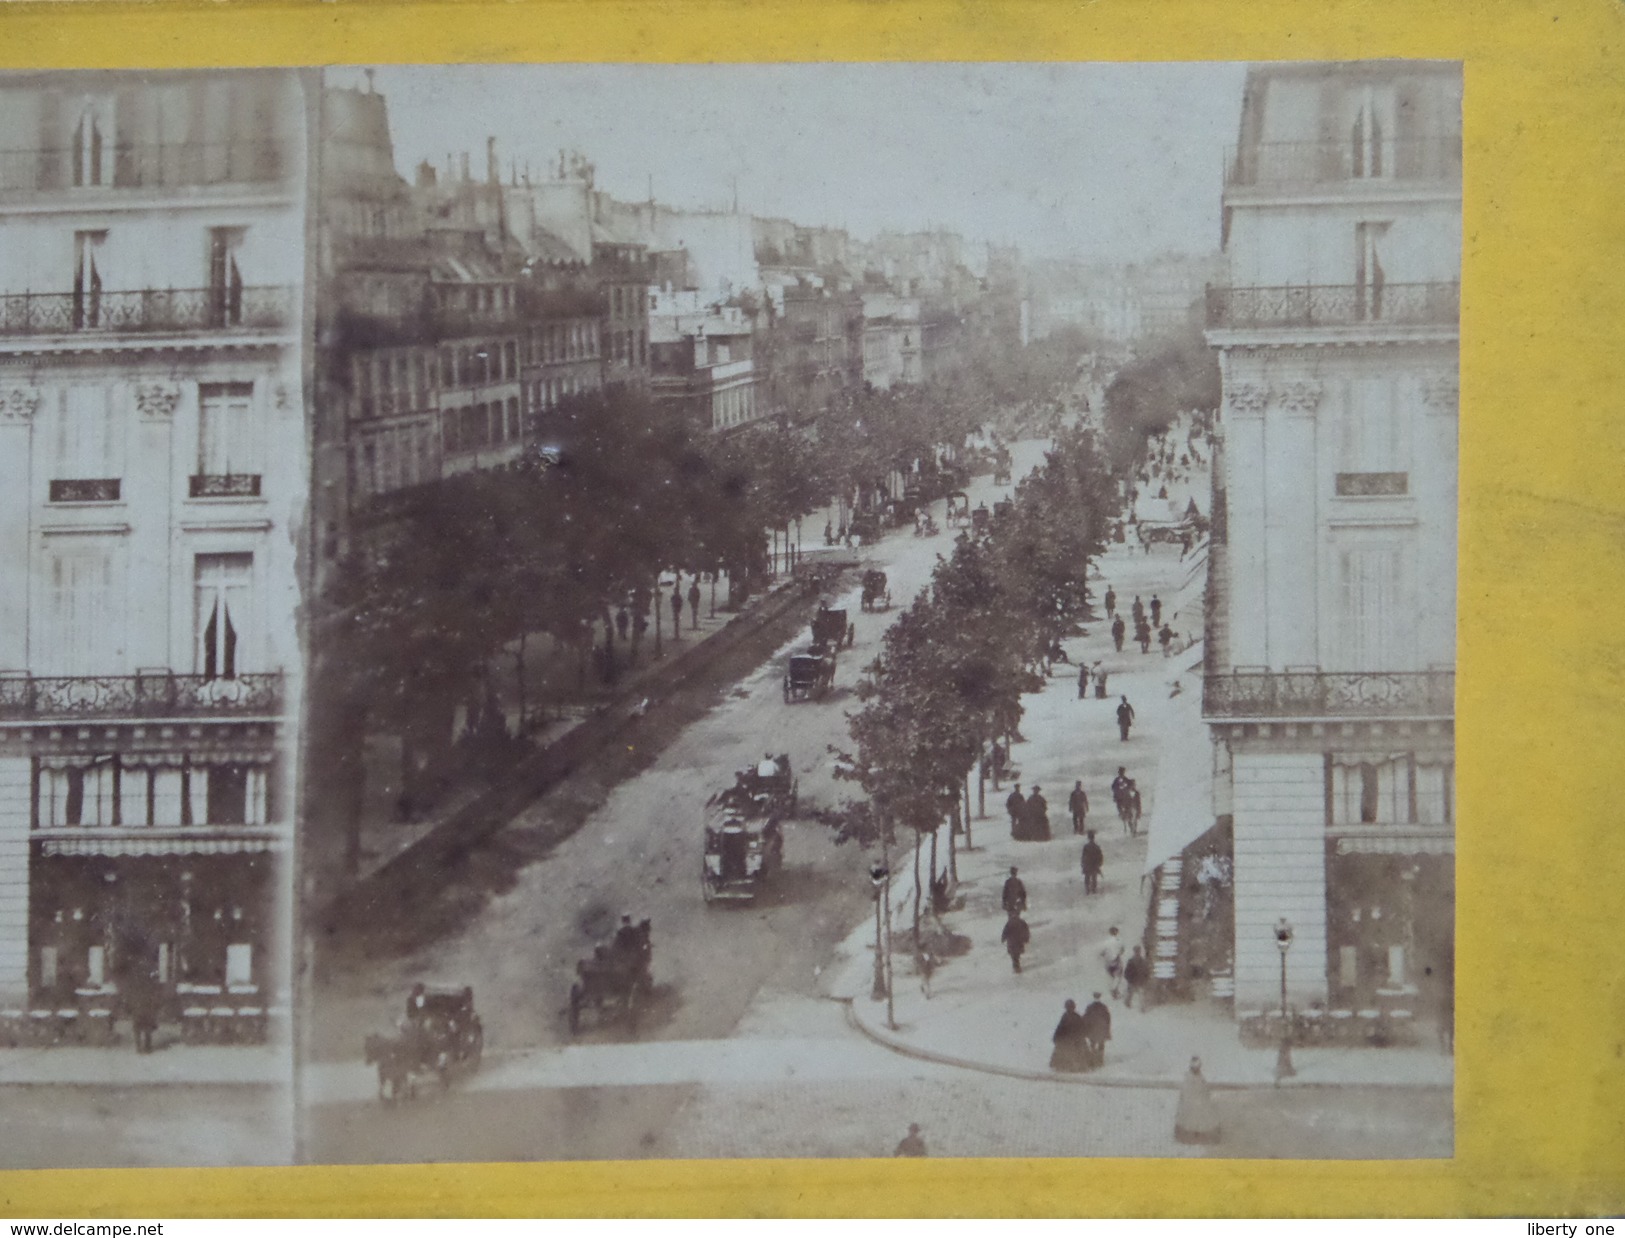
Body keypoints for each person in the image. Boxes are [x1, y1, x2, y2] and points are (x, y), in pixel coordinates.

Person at [1174, 1057, 1221, 1144]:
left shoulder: (1200, 1078)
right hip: (1192, 1104)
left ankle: (1198, 1134)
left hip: (1199, 1102)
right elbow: (1185, 1093)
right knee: (1193, 1115)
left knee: (1204, 1114)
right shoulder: (1188, 1079)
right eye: (1195, 1067)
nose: (1197, 1069)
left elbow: (1205, 1092)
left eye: (1198, 1067)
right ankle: (1190, 1134)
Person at [1050, 999, 1092, 1073]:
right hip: (1076, 1040)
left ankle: (1063, 1066)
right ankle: (1080, 1066)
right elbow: (1083, 1028)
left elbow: (1060, 1028)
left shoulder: (1065, 1016)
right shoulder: (1077, 1016)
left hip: (1067, 1040)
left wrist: (1056, 1038)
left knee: (1063, 1051)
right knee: (1078, 1053)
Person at [1081, 992, 1113, 1068]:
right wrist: (1107, 1029)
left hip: (1092, 1029)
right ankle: (1100, 1060)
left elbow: (1086, 1018)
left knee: (1093, 1045)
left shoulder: (1090, 1007)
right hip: (1101, 1029)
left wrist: (1085, 1027)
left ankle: (1093, 1061)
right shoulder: (1103, 1007)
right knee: (1101, 1045)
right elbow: (1107, 1019)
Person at [1001, 909, 1031, 974]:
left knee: (1013, 955)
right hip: (1019, 941)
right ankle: (1017, 966)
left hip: (1012, 942)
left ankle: (1016, 967)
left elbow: (1005, 932)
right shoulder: (1022, 922)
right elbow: (1026, 931)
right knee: (1017, 954)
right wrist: (1026, 938)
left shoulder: (1009, 923)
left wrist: (1003, 939)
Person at [1100, 926, 1126, 998]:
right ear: (1116, 932)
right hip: (1116, 961)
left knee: (1111, 977)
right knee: (1118, 976)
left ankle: (1113, 990)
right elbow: (1122, 950)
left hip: (1108, 962)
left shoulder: (1105, 941)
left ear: (1109, 932)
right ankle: (1114, 990)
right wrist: (1117, 953)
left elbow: (1102, 953)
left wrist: (1106, 956)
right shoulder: (1119, 940)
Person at [1123, 944, 1150, 1008]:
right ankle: (1130, 1004)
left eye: (1138, 951)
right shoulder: (1141, 961)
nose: (1137, 952)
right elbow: (1127, 972)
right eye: (1136, 951)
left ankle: (1140, 1007)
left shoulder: (1134, 961)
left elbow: (1146, 971)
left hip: (1137, 981)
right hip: (1136, 981)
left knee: (1136, 994)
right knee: (1136, 994)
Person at [1081, 830, 1104, 895]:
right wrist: (1099, 864)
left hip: (1088, 865)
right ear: (1094, 838)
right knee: (1094, 877)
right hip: (1094, 865)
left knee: (1087, 877)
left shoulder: (1086, 847)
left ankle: (1087, 889)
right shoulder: (1097, 847)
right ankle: (1093, 889)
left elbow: (1083, 856)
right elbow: (1100, 856)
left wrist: (1083, 864)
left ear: (1088, 838)